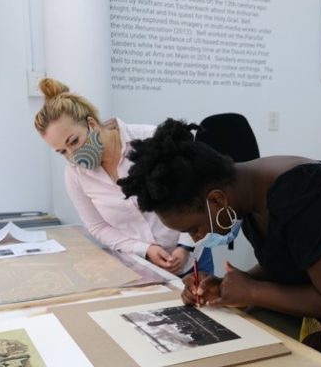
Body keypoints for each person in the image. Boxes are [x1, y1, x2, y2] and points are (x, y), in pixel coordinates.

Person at [117, 119, 321, 367]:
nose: (197, 237)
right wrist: (231, 285)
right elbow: (297, 259)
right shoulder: (248, 198)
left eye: (194, 228)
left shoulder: (303, 191)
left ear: (216, 199)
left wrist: (252, 291)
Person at [33, 78, 212, 276]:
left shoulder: (150, 139)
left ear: (91, 124)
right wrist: (144, 249)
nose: (72, 155)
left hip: (192, 258)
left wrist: (185, 246)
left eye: (73, 141)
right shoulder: (75, 175)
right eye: (62, 151)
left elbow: (196, 194)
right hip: (140, 266)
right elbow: (98, 226)